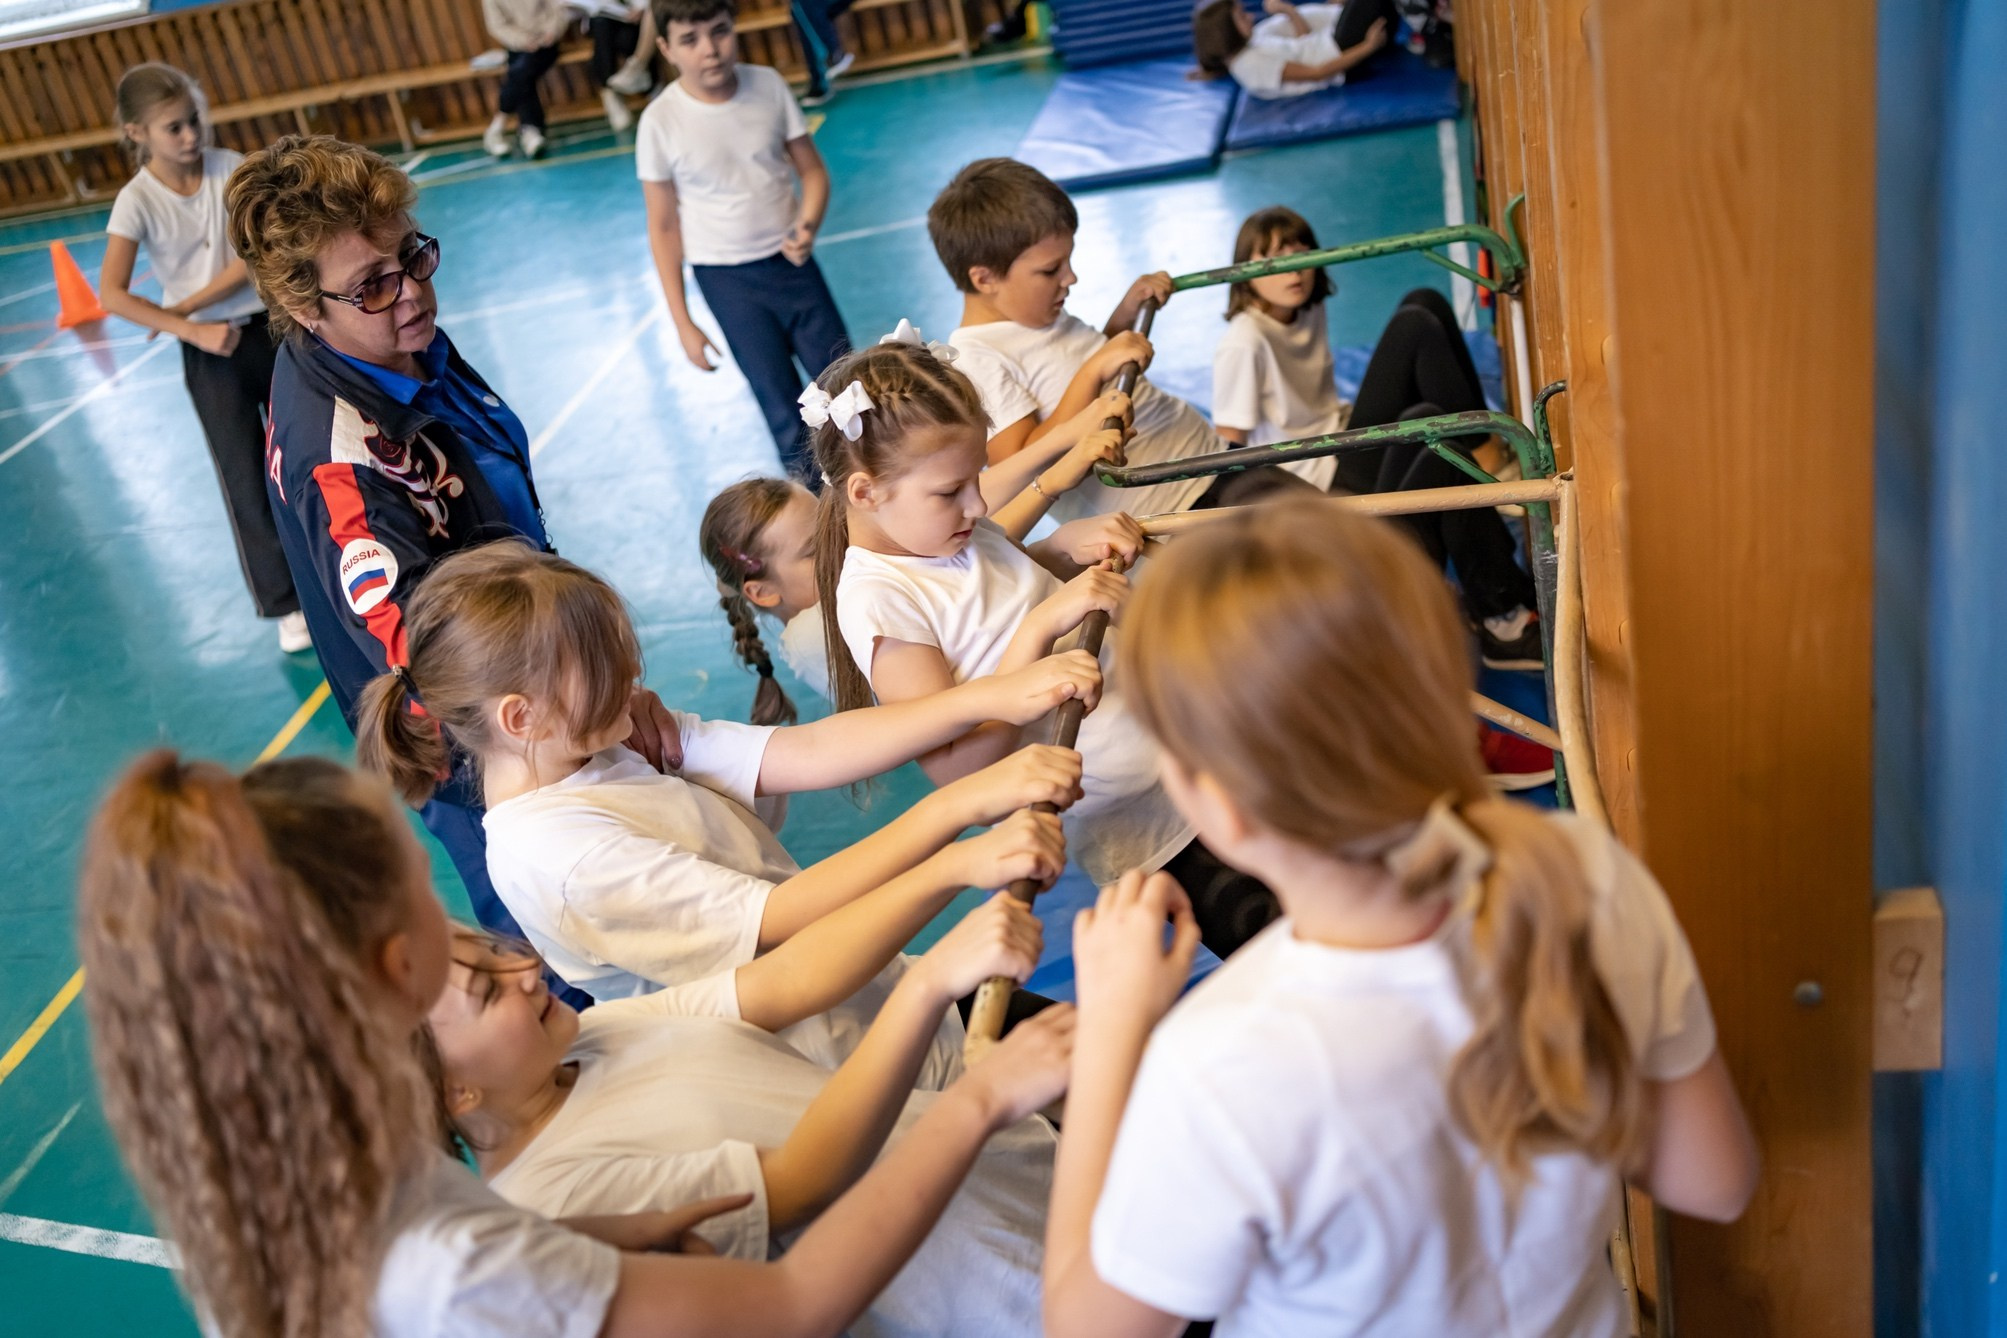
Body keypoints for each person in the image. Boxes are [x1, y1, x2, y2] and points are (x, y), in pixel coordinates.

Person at [1039, 499, 1761, 1337]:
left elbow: (1086, 1328)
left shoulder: (1218, 1063)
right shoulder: (1582, 876)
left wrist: (1110, 1037)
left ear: (1214, 806)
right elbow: (1714, 1179)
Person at [77, 749, 1073, 1337]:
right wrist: (981, 1097)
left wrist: (582, 1251)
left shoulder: (340, 1190)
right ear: (392, 970)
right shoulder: (448, 1259)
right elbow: (796, 1301)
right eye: (424, 890)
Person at [352, 542, 1095, 1052]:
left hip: (870, 987)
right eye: (606, 664)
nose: (635, 670)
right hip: (818, 1051)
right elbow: (776, 922)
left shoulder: (598, 740)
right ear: (522, 717)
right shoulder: (563, 857)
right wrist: (955, 812)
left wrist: (986, 698)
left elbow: (800, 752)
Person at [225, 134, 684, 960]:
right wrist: (585, 708)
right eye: (372, 284)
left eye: (413, 257)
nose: (410, 293)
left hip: (547, 675)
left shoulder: (395, 341)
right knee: (573, 962)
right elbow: (429, 658)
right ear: (303, 308)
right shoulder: (342, 457)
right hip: (487, 747)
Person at [810, 340, 1284, 960]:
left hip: (1199, 741)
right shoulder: (882, 603)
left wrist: (1057, 549)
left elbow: (989, 600)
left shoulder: (944, 532)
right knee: (1286, 948)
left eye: (977, 477)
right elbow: (959, 773)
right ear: (866, 493)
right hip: (1153, 823)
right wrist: (1039, 630)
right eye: (952, 489)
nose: (978, 504)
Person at [430, 901, 1056, 1336]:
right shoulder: (553, 1196)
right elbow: (801, 1180)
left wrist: (955, 860)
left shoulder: (593, 1034)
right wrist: (930, 988)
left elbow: (779, 981)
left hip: (1025, 1185)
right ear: (457, 1093)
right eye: (488, 992)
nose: (523, 968)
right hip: (1003, 1299)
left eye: (495, 952)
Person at [696, 352, 1125, 721]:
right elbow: (953, 744)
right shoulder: (851, 615)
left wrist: (1056, 545)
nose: (835, 539)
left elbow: (979, 580)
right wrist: (1047, 486)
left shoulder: (929, 534)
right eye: (813, 548)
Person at [1212, 206, 1546, 671]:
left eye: (1299, 251)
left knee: (1425, 314)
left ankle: (1498, 587)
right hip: (1321, 483)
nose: (1292, 266)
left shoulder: (1303, 306)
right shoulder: (1243, 343)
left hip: (1339, 440)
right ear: (1245, 275)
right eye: (1271, 257)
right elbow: (1229, 455)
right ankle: (1501, 614)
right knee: (1417, 349)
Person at [96, 63, 306, 656]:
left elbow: (251, 255)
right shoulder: (136, 201)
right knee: (244, 477)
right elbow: (111, 294)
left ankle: (340, 569)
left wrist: (185, 307)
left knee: (308, 454)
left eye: (194, 121)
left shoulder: (230, 167)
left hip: (269, 332)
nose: (191, 136)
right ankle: (285, 605)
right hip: (210, 358)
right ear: (137, 133)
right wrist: (189, 330)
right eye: (173, 128)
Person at [928, 157, 1238, 525]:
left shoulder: (1039, 313)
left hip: (1212, 456)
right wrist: (1092, 371)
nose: (1070, 277)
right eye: (1050, 270)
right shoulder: (978, 358)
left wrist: (1125, 315)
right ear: (984, 279)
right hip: (1173, 508)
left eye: (1068, 261)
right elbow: (1018, 465)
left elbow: (1073, 375)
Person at [640, 0, 849, 481]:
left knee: (844, 391)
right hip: (728, 282)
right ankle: (824, 522)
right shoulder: (660, 121)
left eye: (719, 32)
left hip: (793, 267)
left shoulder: (768, 86)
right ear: (666, 48)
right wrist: (682, 321)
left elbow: (813, 173)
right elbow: (664, 226)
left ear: (735, 29)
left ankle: (876, 500)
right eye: (690, 41)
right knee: (783, 409)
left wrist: (807, 225)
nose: (710, 51)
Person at [1192, 0, 1391, 100]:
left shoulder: (1251, 44)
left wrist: (1287, 10)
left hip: (1336, 43)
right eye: (1242, 17)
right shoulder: (1250, 66)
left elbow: (1303, 43)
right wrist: (1368, 46)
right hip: (1342, 55)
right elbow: (1317, 73)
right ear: (1228, 32)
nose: (1251, 16)